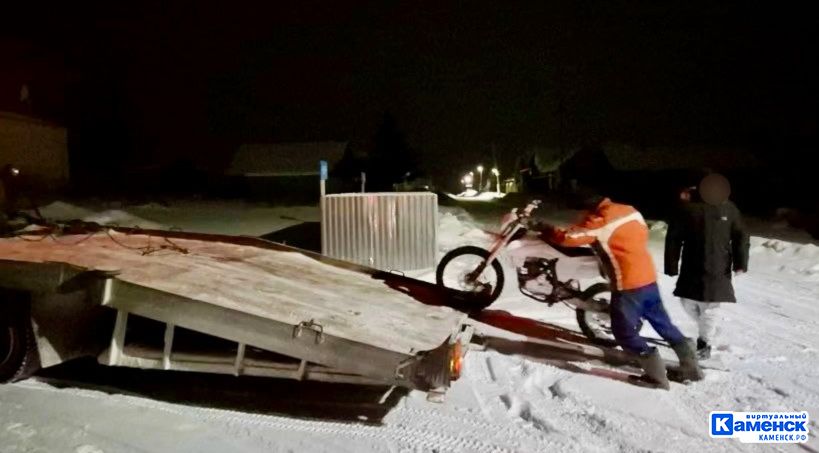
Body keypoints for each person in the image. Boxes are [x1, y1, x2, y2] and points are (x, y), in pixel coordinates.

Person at [541, 188, 703, 389]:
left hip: (628, 283)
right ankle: (691, 368)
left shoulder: (600, 220)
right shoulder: (629, 210)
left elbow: (568, 238)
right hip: (647, 277)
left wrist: (545, 229)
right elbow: (641, 231)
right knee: (663, 323)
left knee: (623, 331)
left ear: (588, 207)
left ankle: (656, 377)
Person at [665, 173, 750, 359]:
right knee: (687, 302)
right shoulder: (687, 209)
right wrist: (671, 265)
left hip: (719, 266)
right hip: (691, 264)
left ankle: (705, 342)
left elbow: (741, 236)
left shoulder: (729, 209)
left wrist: (741, 262)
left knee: (710, 306)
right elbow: (673, 238)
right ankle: (709, 328)